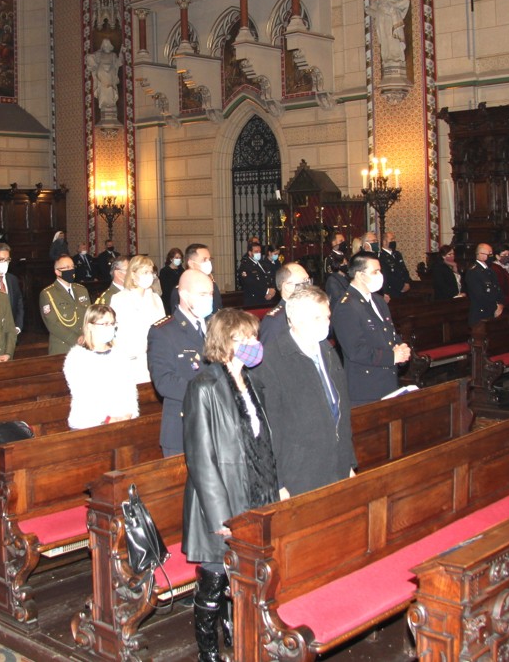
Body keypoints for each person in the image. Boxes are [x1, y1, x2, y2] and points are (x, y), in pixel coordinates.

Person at [181, 308, 278, 662]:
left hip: (254, 493)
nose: (252, 343)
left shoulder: (252, 382)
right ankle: (207, 652)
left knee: (245, 576)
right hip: (221, 499)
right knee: (214, 580)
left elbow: (262, 442)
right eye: (243, 338)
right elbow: (200, 457)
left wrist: (275, 489)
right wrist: (221, 516)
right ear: (223, 343)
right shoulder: (204, 387)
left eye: (254, 336)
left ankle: (238, 635)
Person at [255, 286, 356, 496]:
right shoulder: (272, 360)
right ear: (295, 319)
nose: (326, 323)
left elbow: (341, 410)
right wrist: (277, 482)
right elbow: (270, 427)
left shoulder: (328, 350)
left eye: (327, 317)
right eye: (317, 318)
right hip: (299, 473)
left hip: (336, 463)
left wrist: (348, 461)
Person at [330, 252, 411, 404]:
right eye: (375, 272)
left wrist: (401, 348)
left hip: (388, 381)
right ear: (360, 275)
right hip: (366, 388)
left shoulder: (379, 301)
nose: (380, 275)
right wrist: (392, 357)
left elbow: (390, 334)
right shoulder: (346, 306)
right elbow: (355, 351)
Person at [147, 269, 212, 457]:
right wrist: (208, 393)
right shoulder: (163, 331)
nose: (209, 299)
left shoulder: (216, 325)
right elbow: (164, 381)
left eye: (210, 294)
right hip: (183, 427)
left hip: (216, 425)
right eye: (202, 294)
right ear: (183, 294)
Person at [63, 304, 139, 429]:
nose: (110, 328)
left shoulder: (120, 354)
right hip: (88, 424)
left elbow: (129, 389)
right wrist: (107, 419)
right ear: (90, 326)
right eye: (104, 324)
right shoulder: (77, 358)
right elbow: (84, 397)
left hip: (121, 420)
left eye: (112, 324)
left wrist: (128, 413)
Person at [109, 255, 165, 384]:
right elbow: (116, 334)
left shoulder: (156, 298)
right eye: (145, 272)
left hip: (155, 358)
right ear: (133, 275)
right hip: (132, 359)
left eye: (150, 272)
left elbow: (163, 328)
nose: (149, 276)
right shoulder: (119, 299)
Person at [40, 255, 90, 355]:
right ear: (57, 272)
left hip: (85, 345)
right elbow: (52, 324)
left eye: (72, 267)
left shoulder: (81, 290)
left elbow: (90, 315)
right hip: (63, 347)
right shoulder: (48, 293)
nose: (71, 270)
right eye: (67, 267)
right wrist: (76, 339)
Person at [258, 263, 310, 345]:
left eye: (308, 281)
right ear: (287, 286)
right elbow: (269, 351)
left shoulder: (309, 310)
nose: (308, 286)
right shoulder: (274, 321)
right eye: (303, 282)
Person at [369, 0, 410, 74]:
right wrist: (370, 10)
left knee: (392, 39)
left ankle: (396, 58)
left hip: (391, 20)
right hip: (381, 22)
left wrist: (392, 5)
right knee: (385, 40)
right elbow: (375, 7)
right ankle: (387, 59)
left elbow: (406, 1)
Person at [168, 243, 223, 313]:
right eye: (204, 260)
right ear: (191, 263)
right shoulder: (180, 290)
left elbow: (218, 310)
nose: (208, 263)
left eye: (209, 259)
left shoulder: (212, 285)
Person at [464, 243, 504, 326]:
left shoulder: (490, 271)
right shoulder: (473, 272)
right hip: (481, 315)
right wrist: (495, 307)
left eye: (491, 254)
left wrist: (500, 304)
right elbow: (479, 295)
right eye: (489, 254)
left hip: (493, 313)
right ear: (480, 254)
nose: (491, 256)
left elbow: (498, 290)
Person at [0, 242, 24, 334]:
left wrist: (18, 326)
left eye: (7, 260)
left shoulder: (13, 279)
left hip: (12, 332)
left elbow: (19, 303)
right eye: (1, 260)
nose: (5, 263)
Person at [236, 241, 275, 307]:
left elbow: (270, 277)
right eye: (256, 252)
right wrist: (267, 291)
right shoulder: (246, 266)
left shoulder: (262, 263)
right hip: (254, 301)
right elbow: (251, 283)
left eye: (259, 251)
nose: (258, 253)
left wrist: (272, 291)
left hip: (267, 299)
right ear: (250, 253)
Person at [158, 247, 184, 315]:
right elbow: (164, 288)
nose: (178, 259)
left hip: (180, 298)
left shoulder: (182, 270)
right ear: (171, 258)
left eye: (180, 258)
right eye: (176, 257)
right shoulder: (164, 271)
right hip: (169, 299)